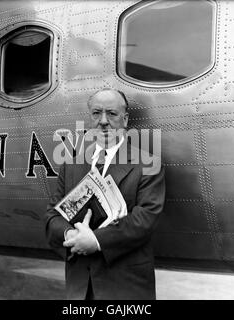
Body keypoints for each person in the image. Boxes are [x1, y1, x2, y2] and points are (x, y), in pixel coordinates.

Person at [44, 88, 166, 300]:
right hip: (80, 288)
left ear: (125, 119)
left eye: (111, 113)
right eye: (96, 113)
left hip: (125, 288)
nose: (103, 121)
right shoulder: (71, 165)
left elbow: (146, 219)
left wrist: (96, 241)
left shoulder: (148, 164)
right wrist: (70, 236)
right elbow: (52, 216)